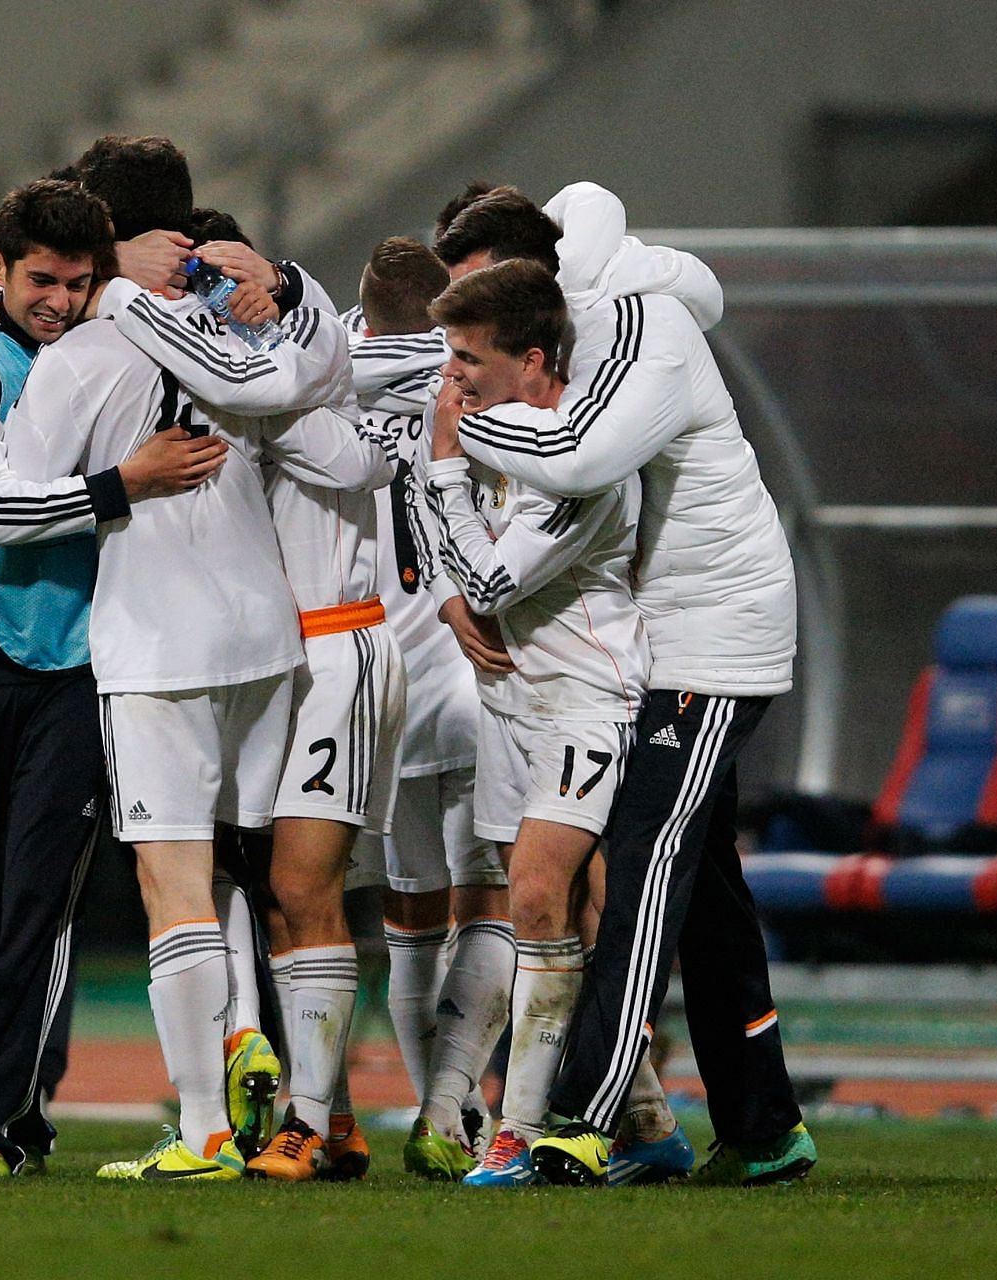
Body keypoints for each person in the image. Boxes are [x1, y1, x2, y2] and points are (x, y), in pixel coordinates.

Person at [435, 183, 815, 1186]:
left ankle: (588, 1111)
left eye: (477, 317)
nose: (460, 351)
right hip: (668, 632)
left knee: (642, 856)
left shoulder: (645, 326)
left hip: (713, 637)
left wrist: (453, 435)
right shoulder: (595, 327)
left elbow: (583, 456)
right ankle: (765, 1121)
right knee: (707, 896)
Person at [3, 137, 359, 1182]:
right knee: (255, 873)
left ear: (103, 238)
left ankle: (201, 1124)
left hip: (157, 641)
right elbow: (325, 378)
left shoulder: (80, 357)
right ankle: (304, 1107)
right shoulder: (234, 329)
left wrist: (111, 480)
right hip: (268, 637)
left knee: (174, 882)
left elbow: (11, 509)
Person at [0, 178, 224, 1178]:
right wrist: (124, 482)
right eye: (42, 279)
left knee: (40, 900)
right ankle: (12, 1106)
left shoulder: (107, 349)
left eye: (81, 282)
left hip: (86, 658)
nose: (61, 300)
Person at [112, 206, 400, 1183]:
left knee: (308, 887)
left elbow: (363, 458)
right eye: (192, 286)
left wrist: (253, 394)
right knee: (264, 885)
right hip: (266, 663)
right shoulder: (216, 381)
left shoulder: (294, 368)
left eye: (223, 285)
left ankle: (328, 1116)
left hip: (341, 643)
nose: (208, 304)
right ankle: (326, 1112)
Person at [423, 257, 681, 1186]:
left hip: (587, 697)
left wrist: (449, 477)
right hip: (507, 697)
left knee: (536, 894)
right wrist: (452, 599)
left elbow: (492, 574)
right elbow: (442, 539)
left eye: (468, 362)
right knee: (551, 906)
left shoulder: (582, 455)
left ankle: (515, 1131)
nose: (451, 381)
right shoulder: (480, 423)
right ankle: (649, 1123)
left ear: (533, 360)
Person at [340, 236, 518, 1178]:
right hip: (475, 666)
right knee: (487, 898)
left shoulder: (323, 380)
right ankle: (454, 1110)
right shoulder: (470, 382)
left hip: (374, 677)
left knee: (407, 916)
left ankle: (427, 1109)